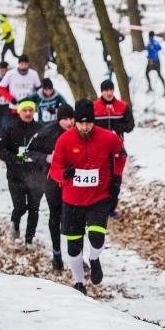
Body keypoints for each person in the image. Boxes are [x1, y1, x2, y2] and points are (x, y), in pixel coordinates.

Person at [49, 99, 124, 295]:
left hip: (98, 196)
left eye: (88, 123)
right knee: (73, 246)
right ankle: (79, 283)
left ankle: (94, 259)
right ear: (75, 121)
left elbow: (121, 154)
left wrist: (117, 176)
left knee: (96, 236)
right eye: (80, 123)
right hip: (72, 199)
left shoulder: (108, 137)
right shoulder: (64, 140)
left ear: (94, 120)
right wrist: (64, 174)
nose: (84, 127)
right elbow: (54, 169)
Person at [27, 104, 75, 270]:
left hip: (72, 181)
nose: (69, 122)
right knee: (55, 216)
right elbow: (29, 151)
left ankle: (75, 255)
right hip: (52, 180)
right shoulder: (47, 132)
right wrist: (47, 158)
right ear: (58, 119)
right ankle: (56, 253)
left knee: (71, 217)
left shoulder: (79, 131)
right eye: (65, 119)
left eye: (71, 118)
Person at [0, 100, 44, 244]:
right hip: (15, 175)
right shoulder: (10, 128)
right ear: (19, 112)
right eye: (25, 110)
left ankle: (29, 238)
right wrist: (14, 158)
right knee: (20, 206)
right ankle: (15, 221)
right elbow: (0, 151)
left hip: (36, 176)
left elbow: (47, 149)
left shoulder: (40, 129)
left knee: (34, 208)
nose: (28, 113)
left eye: (31, 110)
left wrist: (38, 158)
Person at [93, 79, 135, 218]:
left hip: (117, 149)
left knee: (115, 179)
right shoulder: (95, 107)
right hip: (99, 150)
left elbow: (130, 125)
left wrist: (119, 128)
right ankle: (98, 205)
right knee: (100, 179)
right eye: (106, 90)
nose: (109, 93)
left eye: (111, 90)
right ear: (102, 92)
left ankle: (111, 207)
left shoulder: (122, 106)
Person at [145, 31, 165, 96]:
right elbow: (159, 48)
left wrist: (151, 56)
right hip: (157, 61)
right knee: (159, 75)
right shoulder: (155, 41)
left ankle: (150, 87)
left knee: (146, 73)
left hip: (152, 62)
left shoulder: (151, 42)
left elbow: (151, 50)